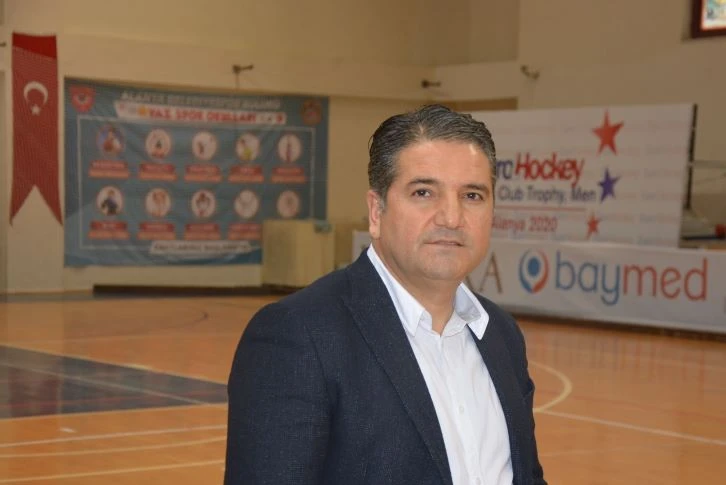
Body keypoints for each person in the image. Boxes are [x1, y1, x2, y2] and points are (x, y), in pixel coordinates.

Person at [225, 104, 547, 485]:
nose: (451, 217)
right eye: (423, 192)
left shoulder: (502, 335)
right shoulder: (298, 336)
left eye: (472, 195)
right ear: (376, 212)